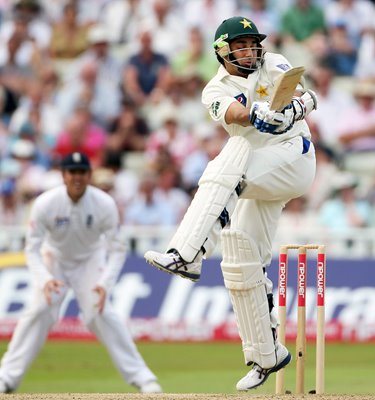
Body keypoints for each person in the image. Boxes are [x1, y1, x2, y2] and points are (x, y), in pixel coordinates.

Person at [143, 16, 317, 391]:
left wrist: (290, 111)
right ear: (223, 51)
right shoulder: (214, 89)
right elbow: (233, 113)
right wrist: (255, 114)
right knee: (240, 254)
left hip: (294, 157)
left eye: (253, 43)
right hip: (256, 173)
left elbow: (305, 93)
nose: (251, 50)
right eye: (242, 45)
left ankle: (188, 252)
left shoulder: (273, 63)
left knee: (233, 155)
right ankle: (266, 355)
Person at [0, 152, 162, 394]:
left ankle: (144, 379)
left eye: (82, 172)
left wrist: (105, 284)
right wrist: (45, 279)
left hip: (89, 261)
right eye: (72, 172)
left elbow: (117, 249)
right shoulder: (45, 204)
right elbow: (31, 249)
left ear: (89, 175)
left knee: (101, 313)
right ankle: (6, 378)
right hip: (54, 259)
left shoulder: (104, 204)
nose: (77, 177)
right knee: (39, 311)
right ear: (63, 175)